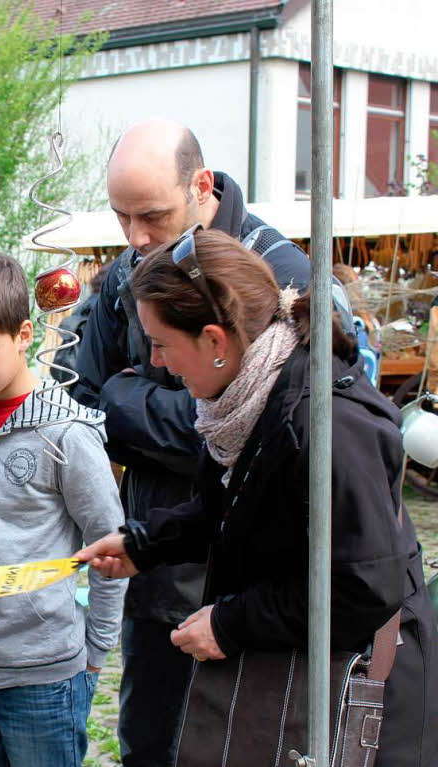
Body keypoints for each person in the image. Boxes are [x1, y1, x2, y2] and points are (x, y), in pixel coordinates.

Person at [75, 228, 438, 767]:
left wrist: (231, 623)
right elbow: (227, 507)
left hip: (365, 699)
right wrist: (144, 543)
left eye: (162, 343)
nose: (154, 362)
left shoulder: (330, 430)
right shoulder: (243, 403)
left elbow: (365, 590)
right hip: (300, 676)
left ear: (215, 341)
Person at [70, 119, 312, 767]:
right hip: (156, 564)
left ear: (201, 186)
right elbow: (83, 398)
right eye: (122, 218)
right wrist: (161, 412)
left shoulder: (277, 271)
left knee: (239, 748)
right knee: (149, 747)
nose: (136, 237)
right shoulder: (127, 274)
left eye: (151, 215)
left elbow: (265, 430)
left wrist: (130, 403)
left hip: (250, 585)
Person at [0, 250, 127, 767]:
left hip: (45, 676)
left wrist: (94, 654)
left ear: (24, 335)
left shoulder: (67, 435)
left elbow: (113, 546)